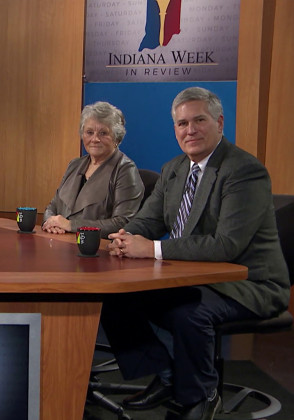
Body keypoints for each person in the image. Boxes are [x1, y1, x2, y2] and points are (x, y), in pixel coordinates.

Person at [104, 87, 289, 420]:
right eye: (182, 123)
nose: (190, 130)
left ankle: (200, 396)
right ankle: (167, 376)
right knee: (116, 296)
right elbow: (149, 219)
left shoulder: (244, 171)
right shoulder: (174, 168)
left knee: (189, 313)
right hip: (193, 278)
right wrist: (126, 236)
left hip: (250, 282)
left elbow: (225, 245)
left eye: (199, 120)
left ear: (219, 122)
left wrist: (153, 249)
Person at [41, 101, 143, 237]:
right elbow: (53, 206)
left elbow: (123, 223)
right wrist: (50, 222)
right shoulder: (74, 165)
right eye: (89, 132)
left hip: (97, 249)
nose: (95, 139)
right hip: (61, 242)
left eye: (103, 133)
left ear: (117, 138)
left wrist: (71, 225)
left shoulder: (125, 170)